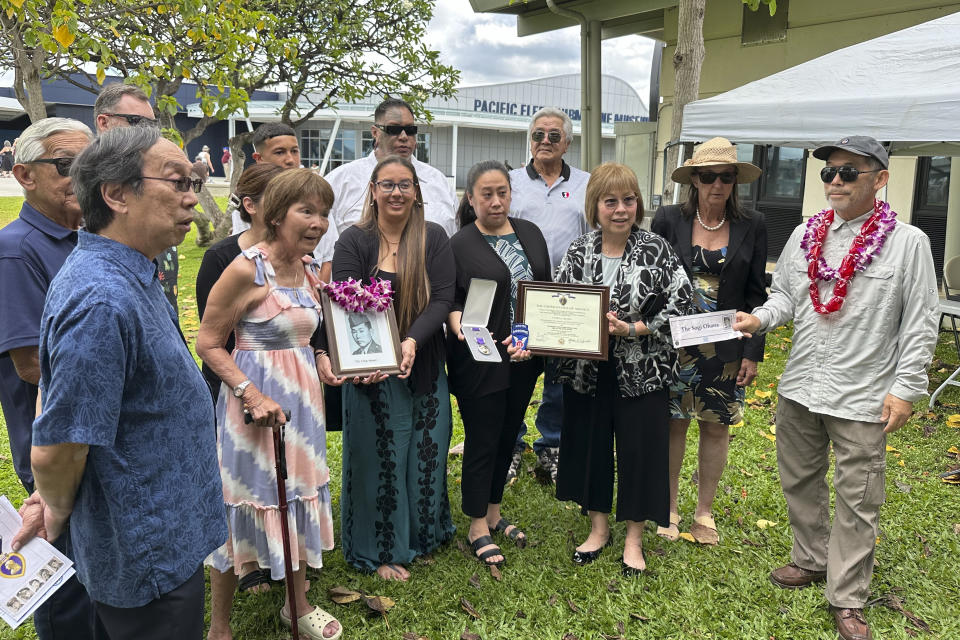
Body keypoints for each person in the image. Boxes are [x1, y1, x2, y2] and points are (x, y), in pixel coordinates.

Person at [19, 126, 226, 639]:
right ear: (115, 194)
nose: (191, 197)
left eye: (194, 182)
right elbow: (58, 446)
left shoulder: (132, 271)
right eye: (177, 181)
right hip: (145, 554)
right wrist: (53, 508)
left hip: (163, 536)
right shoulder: (102, 299)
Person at [733, 136, 939, 640]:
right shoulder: (806, 233)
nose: (836, 181)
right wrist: (758, 319)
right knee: (799, 480)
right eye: (829, 173)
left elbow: (920, 321)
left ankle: (847, 597)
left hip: (864, 390)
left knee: (857, 497)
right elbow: (785, 295)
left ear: (880, 179)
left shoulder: (907, 242)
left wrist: (906, 388)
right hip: (802, 383)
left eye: (849, 172)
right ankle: (810, 558)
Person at [197, 168, 340, 640]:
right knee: (243, 502)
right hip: (252, 409)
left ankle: (295, 606)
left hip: (304, 409)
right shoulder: (246, 268)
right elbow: (209, 343)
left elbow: (305, 331)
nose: (318, 222)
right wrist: (250, 393)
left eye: (323, 212)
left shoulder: (310, 268)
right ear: (276, 215)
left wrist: (319, 357)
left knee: (296, 495)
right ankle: (220, 626)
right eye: (307, 211)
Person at [318, 154, 455, 582]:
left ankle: (422, 537)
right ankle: (379, 549)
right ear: (373, 191)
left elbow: (442, 299)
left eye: (405, 185)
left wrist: (411, 340)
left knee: (426, 453)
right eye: (388, 185)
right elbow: (343, 302)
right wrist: (373, 357)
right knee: (380, 457)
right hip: (370, 370)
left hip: (425, 363)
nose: (397, 192)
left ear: (417, 193)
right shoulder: (353, 242)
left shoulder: (433, 237)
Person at [554, 162, 691, 575]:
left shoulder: (656, 249)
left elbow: (681, 304)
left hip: (643, 369)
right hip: (588, 371)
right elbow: (556, 301)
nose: (620, 209)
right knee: (591, 446)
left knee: (640, 451)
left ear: (638, 205)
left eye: (628, 200)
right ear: (594, 206)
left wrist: (633, 328)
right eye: (610, 201)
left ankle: (634, 538)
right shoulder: (579, 250)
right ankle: (598, 528)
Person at [0, 117, 100, 640]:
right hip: (53, 445)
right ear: (24, 175)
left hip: (92, 438)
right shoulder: (16, 249)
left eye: (89, 164)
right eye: (66, 165)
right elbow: (32, 364)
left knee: (94, 572)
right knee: (64, 591)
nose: (80, 176)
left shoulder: (87, 240)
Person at [650, 137, 768, 545]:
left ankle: (704, 511)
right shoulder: (667, 219)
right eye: (708, 176)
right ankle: (668, 508)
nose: (717, 184)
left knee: (716, 427)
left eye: (726, 176)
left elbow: (757, 294)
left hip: (727, 350)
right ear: (694, 180)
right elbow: (654, 280)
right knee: (673, 424)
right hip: (676, 346)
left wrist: (754, 350)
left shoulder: (753, 224)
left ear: (736, 180)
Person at [446, 161, 550, 567]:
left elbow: (542, 289)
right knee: (483, 437)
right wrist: (457, 324)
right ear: (470, 199)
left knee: (509, 435)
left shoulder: (531, 234)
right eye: (486, 194)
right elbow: (451, 298)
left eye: (502, 192)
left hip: (524, 356)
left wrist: (538, 339)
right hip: (480, 358)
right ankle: (476, 525)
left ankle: (493, 512)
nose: (495, 201)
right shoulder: (460, 244)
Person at [506, 107, 591, 483]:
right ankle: (511, 444)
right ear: (530, 139)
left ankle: (552, 448)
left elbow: (593, 237)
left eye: (554, 136)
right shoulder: (509, 183)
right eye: (539, 134)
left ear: (567, 143)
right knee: (515, 374)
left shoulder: (587, 184)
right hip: (518, 300)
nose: (545, 141)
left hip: (566, 301)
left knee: (559, 380)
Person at [196, 163, 285, 401]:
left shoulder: (301, 258)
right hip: (236, 387)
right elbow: (214, 339)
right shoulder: (220, 258)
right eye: (279, 198)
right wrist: (246, 391)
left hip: (290, 381)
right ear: (250, 205)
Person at [93, 83, 181, 311]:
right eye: (137, 122)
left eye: (152, 125)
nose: (148, 134)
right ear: (104, 123)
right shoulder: (84, 191)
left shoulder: (156, 179)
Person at [323, 98, 457, 237]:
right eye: (394, 129)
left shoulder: (439, 182)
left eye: (410, 130)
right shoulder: (340, 181)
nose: (404, 136)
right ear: (375, 133)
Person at [230, 122, 336, 282]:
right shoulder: (253, 198)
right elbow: (244, 250)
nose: (290, 160)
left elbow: (327, 257)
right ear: (259, 158)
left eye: (294, 151)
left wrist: (318, 296)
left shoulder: (315, 193)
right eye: (280, 152)